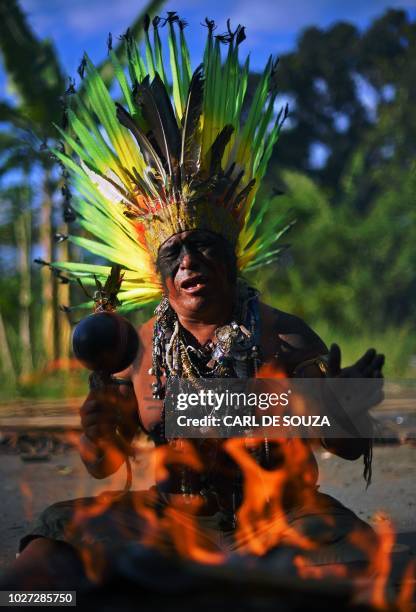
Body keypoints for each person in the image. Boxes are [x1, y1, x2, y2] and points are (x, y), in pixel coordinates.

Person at [3, 14, 384, 589]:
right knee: (36, 573)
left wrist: (337, 401)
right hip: (171, 523)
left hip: (280, 521)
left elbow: (350, 446)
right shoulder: (135, 353)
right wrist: (97, 425)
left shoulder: (284, 334)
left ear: (232, 260)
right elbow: (103, 463)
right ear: (159, 278)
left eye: (204, 247)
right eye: (175, 253)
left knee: (375, 576)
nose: (189, 262)